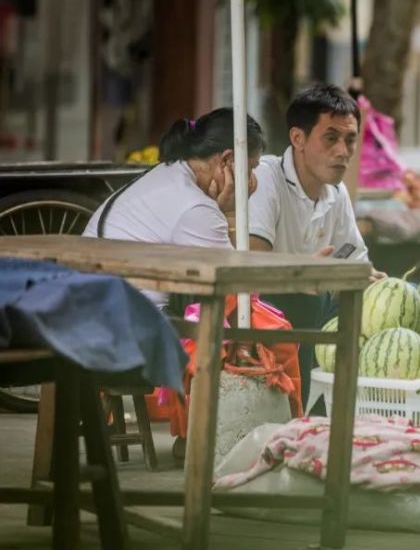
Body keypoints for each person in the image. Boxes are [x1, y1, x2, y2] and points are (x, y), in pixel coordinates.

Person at [248, 83, 383, 399]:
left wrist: (374, 282)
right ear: (298, 138)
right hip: (260, 310)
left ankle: (346, 410)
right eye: (331, 138)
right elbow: (251, 264)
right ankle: (304, 410)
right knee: (309, 302)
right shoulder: (267, 177)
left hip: (311, 307)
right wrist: (305, 275)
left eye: (350, 140)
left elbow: (355, 261)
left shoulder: (336, 192)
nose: (343, 151)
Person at [83, 108, 265, 309]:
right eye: (250, 168)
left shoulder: (170, 170)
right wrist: (231, 214)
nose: (252, 181)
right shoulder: (197, 208)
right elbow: (238, 286)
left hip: (96, 299)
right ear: (226, 160)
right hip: (126, 315)